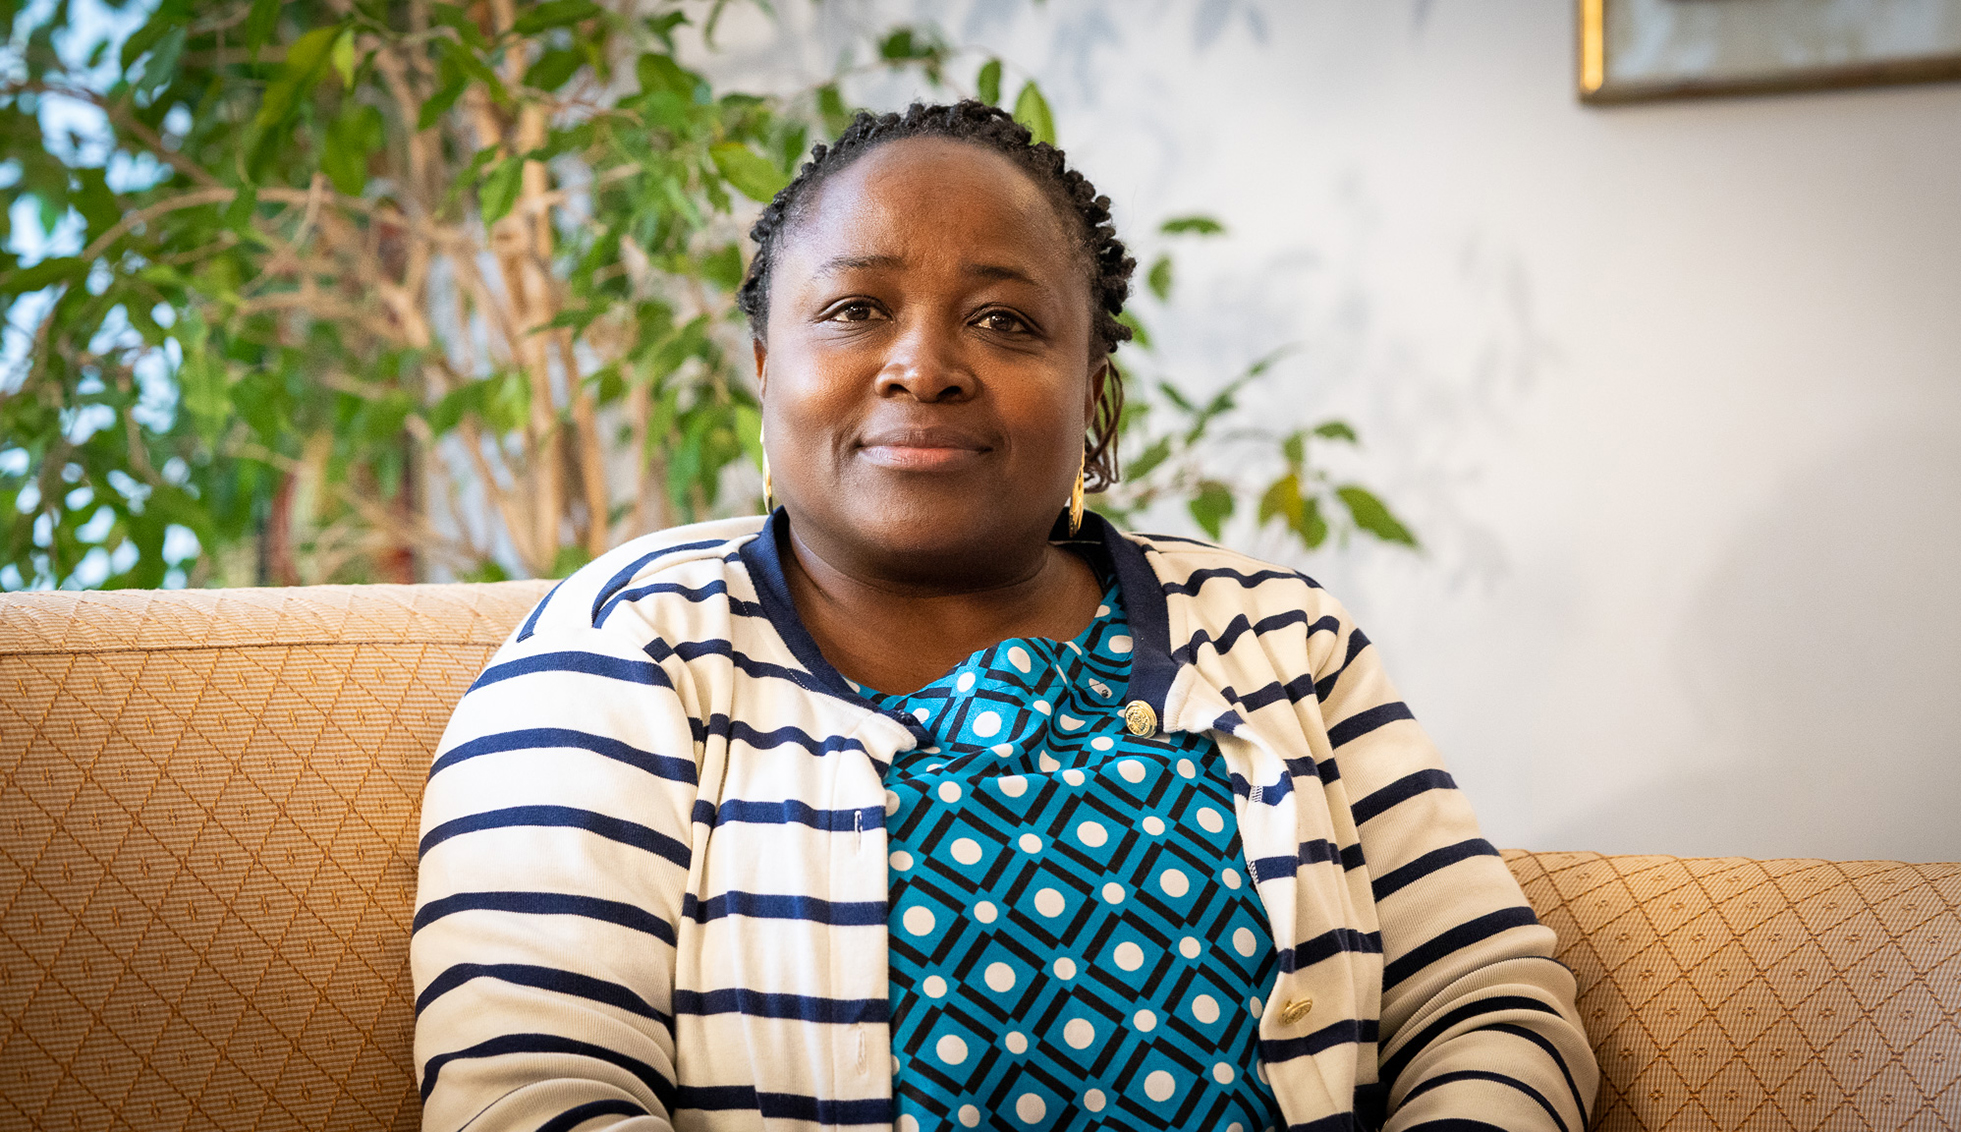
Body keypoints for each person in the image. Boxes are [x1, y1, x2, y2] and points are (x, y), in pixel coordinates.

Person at [411, 100, 1597, 1132]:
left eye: (1005, 321)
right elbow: (532, 1094)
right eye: (855, 309)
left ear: (1093, 400)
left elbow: (1481, 1001)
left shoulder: (1277, 635)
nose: (924, 365)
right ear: (766, 369)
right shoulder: (622, 655)